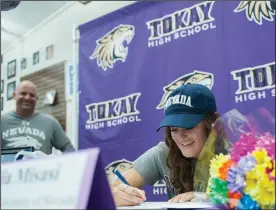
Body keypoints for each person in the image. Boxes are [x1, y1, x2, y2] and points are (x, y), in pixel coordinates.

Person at [111, 84, 230, 206]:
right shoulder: (163, 153)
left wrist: (210, 198)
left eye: (188, 126)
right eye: (174, 129)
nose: (180, 136)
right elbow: (113, 189)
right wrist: (117, 194)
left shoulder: (236, 155)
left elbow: (248, 201)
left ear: (211, 124)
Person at [1, 80, 76, 154]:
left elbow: (68, 149)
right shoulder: (2, 121)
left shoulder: (50, 123)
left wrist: (58, 164)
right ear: (14, 96)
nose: (27, 98)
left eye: (32, 95)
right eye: (23, 93)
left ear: (36, 99)